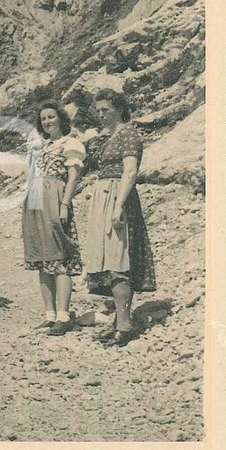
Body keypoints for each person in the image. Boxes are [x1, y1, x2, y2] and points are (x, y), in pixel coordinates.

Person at [83, 89, 156, 347]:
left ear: (120, 109)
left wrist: (118, 206)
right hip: (104, 198)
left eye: (106, 110)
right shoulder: (109, 136)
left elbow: (130, 170)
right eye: (98, 111)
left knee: (118, 260)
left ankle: (125, 327)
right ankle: (118, 321)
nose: (101, 115)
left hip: (118, 198)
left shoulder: (128, 133)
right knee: (106, 260)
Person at [22, 101, 86, 336]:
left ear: (61, 119)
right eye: (43, 119)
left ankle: (64, 315)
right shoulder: (41, 147)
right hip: (36, 200)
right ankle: (49, 315)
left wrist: (65, 204)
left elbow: (73, 177)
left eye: (51, 117)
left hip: (56, 197)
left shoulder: (70, 144)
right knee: (42, 258)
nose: (47, 122)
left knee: (60, 258)